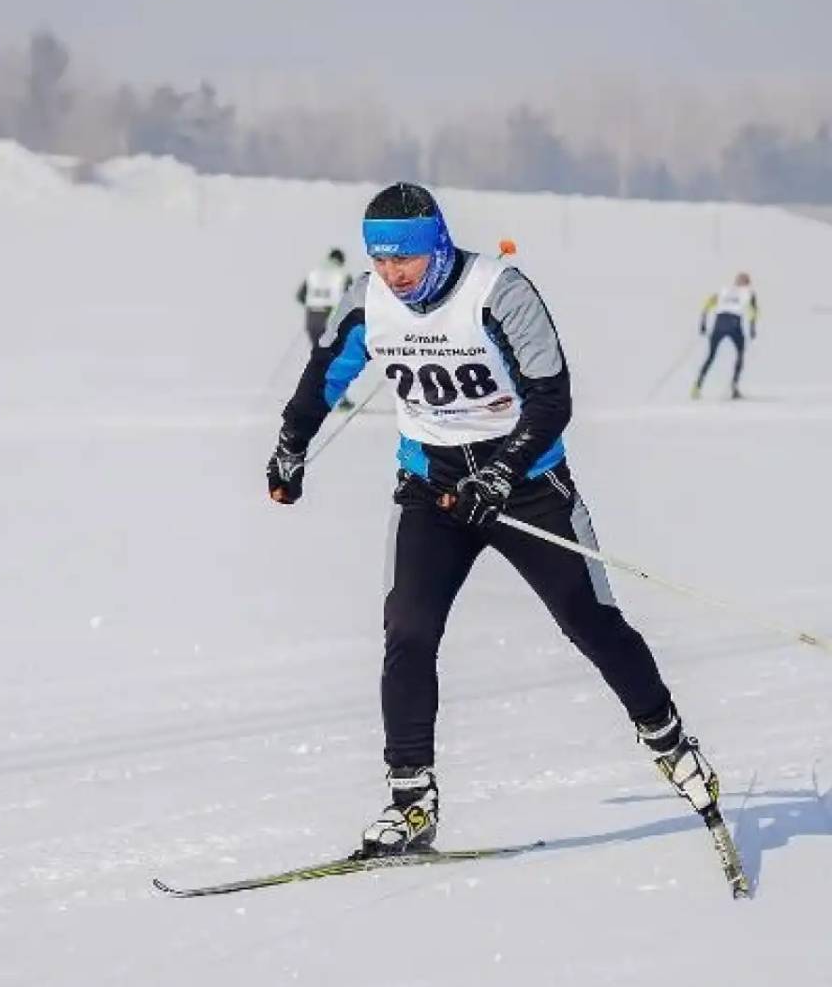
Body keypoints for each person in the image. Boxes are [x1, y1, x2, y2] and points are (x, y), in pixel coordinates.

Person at [266, 182, 720, 857]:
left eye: (405, 262)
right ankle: (411, 802)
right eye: (381, 260)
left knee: (588, 619)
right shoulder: (370, 301)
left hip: (529, 486)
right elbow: (325, 374)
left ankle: (670, 740)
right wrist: (291, 445)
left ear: (437, 247)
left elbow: (550, 396)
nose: (392, 275)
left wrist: (502, 471)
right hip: (433, 491)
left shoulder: (497, 290)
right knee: (409, 630)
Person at [692, 273, 758, 400]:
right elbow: (753, 311)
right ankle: (734, 387)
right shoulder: (749, 293)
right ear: (747, 283)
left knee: (710, 356)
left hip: (719, 323)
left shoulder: (724, 291)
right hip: (734, 324)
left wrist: (703, 324)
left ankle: (697, 386)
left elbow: (707, 305)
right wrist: (752, 329)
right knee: (740, 353)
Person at [296, 248, 352, 349]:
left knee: (318, 351)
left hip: (312, 318)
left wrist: (315, 302)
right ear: (341, 261)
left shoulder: (313, 273)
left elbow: (300, 296)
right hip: (331, 316)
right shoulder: (343, 274)